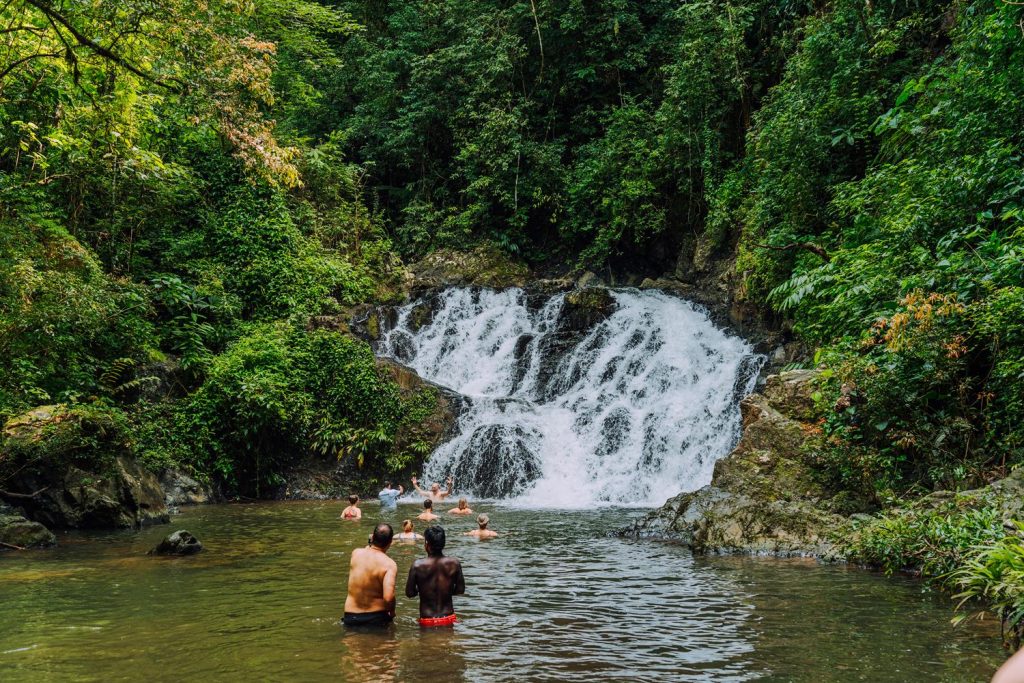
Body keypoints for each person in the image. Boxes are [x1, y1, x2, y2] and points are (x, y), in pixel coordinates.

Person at [405, 525, 465, 627]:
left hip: (427, 620)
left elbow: (410, 593)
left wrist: (422, 590)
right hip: (449, 619)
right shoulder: (455, 563)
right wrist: (447, 591)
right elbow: (460, 590)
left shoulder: (417, 565)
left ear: (427, 544)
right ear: (443, 544)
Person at [343, 523, 397, 627]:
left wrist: (370, 541)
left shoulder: (356, 554)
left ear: (372, 537)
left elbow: (368, 549)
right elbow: (388, 598)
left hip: (351, 616)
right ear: (390, 542)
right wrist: (392, 611)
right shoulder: (389, 564)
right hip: (376, 617)